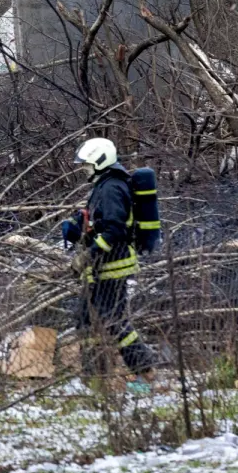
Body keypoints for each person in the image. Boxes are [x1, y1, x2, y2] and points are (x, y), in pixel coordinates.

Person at [66, 137, 155, 391]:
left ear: (99, 161)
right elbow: (101, 222)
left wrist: (88, 255)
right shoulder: (104, 185)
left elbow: (115, 229)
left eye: (87, 164)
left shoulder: (112, 187)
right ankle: (94, 375)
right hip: (100, 267)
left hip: (113, 266)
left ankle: (144, 370)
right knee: (85, 318)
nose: (84, 169)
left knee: (113, 320)